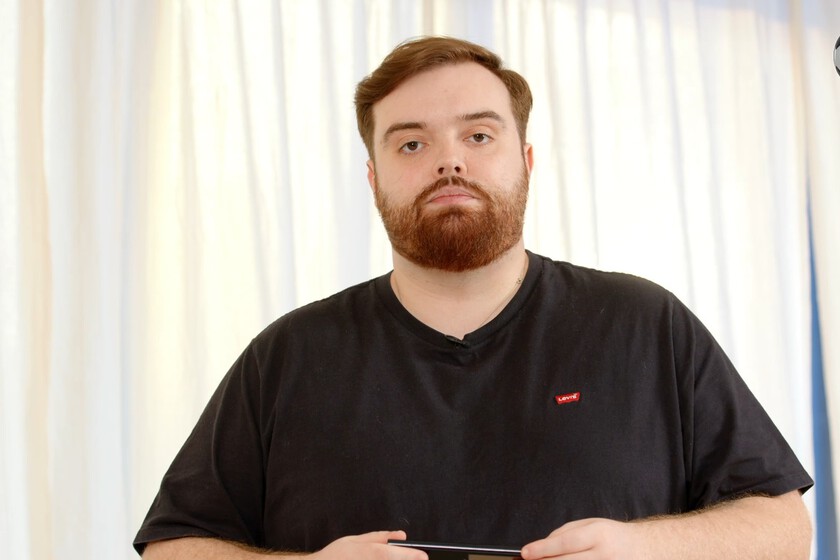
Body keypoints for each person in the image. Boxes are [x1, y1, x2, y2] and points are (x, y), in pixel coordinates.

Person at [135, 36, 813, 559]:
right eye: (411, 143)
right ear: (373, 179)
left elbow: (786, 530)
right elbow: (173, 546)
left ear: (526, 160)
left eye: (479, 135)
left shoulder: (646, 326)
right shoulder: (287, 358)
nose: (448, 161)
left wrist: (647, 548)